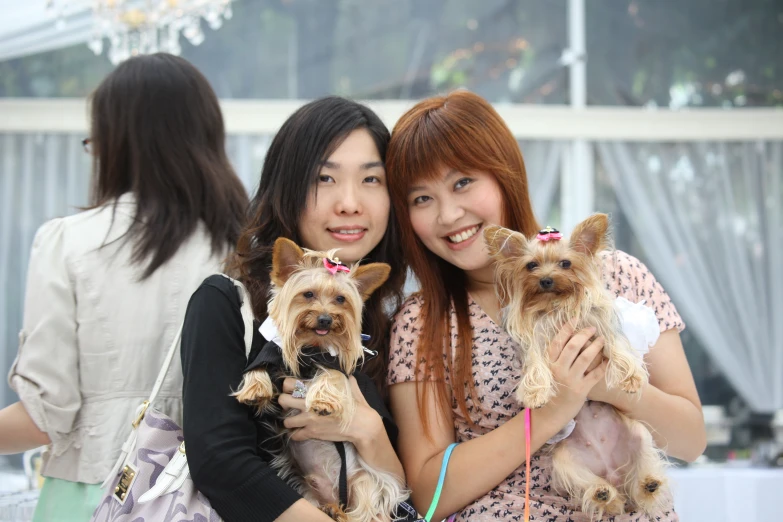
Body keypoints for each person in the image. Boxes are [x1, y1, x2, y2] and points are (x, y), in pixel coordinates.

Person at [384, 90, 707, 521]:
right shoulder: (422, 322)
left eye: (463, 182)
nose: (448, 214)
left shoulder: (618, 276)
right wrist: (552, 411)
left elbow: (691, 439)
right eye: (421, 198)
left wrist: (605, 385)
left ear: (505, 173)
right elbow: (428, 496)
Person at [0, 53, 248, 521]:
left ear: (114, 142)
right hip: (218, 499)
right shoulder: (247, 246)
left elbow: (43, 416)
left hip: (91, 494)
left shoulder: (68, 242)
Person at [180, 96, 411, 522]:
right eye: (325, 178)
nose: (349, 203)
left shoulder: (395, 320)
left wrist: (369, 430)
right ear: (286, 187)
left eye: (371, 180)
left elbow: (402, 485)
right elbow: (220, 463)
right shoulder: (224, 303)